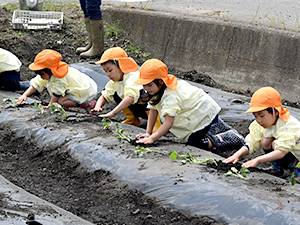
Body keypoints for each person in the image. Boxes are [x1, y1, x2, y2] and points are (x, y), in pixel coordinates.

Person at [134, 58, 245, 152]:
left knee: (197, 143)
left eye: (149, 85)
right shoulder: (155, 92)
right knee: (201, 134)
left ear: (161, 82)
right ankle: (220, 129)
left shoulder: (170, 96)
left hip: (201, 112)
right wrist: (148, 132)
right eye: (144, 85)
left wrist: (152, 138)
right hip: (194, 114)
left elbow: (168, 123)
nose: (146, 88)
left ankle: (230, 138)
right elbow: (153, 110)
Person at [223, 87, 300, 183]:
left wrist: (257, 160)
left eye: (262, 115)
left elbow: (281, 151)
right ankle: (277, 168)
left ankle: (298, 172)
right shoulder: (261, 124)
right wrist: (236, 155)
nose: (259, 120)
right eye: (255, 116)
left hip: (298, 157)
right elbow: (252, 142)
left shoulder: (288, 124)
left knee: (275, 144)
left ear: (275, 111)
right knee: (265, 140)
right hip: (286, 153)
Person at [93, 47, 161, 131]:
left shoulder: (132, 77)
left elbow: (130, 97)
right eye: (105, 71)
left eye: (110, 70)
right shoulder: (114, 83)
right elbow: (105, 95)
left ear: (121, 65)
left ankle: (156, 123)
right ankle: (132, 119)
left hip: (152, 108)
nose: (108, 74)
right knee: (115, 94)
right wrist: (98, 106)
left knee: (143, 95)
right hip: (137, 109)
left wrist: (113, 112)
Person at [16, 49, 98, 115]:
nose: (41, 76)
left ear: (50, 70)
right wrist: (24, 95)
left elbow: (56, 94)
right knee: (60, 100)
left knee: (61, 101)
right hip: (71, 88)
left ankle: (87, 104)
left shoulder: (59, 77)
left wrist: (50, 105)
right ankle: (68, 102)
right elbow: (36, 84)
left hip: (84, 89)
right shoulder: (47, 73)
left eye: (42, 74)